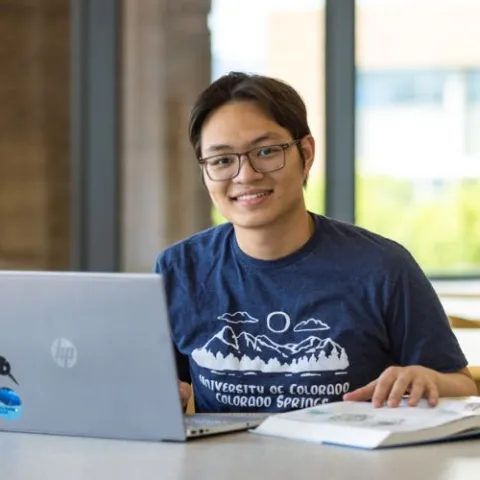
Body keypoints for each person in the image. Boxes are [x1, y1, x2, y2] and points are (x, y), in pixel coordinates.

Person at [155, 72, 477, 414]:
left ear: (305, 154)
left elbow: (461, 385)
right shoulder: (179, 270)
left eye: (266, 151)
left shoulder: (382, 268)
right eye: (222, 160)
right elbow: (157, 388)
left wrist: (426, 380)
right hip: (221, 468)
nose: (245, 175)